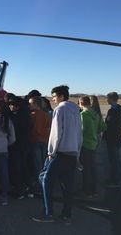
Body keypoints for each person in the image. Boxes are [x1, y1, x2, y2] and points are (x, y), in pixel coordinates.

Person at [33, 85, 82, 224]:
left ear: (61, 96)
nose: (53, 99)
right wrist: (77, 154)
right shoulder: (75, 110)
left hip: (60, 153)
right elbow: (79, 134)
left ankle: (48, 213)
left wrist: (50, 152)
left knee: (45, 180)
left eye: (54, 96)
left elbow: (56, 133)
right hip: (72, 153)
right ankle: (66, 215)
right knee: (67, 186)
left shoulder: (60, 109)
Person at [6, 94, 32, 199]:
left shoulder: (17, 117)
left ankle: (19, 190)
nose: (10, 107)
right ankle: (27, 186)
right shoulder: (25, 115)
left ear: (17, 106)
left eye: (12, 105)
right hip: (23, 145)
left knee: (17, 167)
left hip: (17, 145)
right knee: (22, 166)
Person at [78, 96, 105, 197]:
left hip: (85, 144)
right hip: (94, 144)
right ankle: (94, 189)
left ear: (81, 103)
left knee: (85, 168)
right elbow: (103, 127)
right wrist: (95, 133)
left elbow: (81, 130)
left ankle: (87, 190)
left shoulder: (83, 115)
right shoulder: (96, 114)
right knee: (92, 167)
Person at [102, 92, 121, 187]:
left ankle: (116, 181)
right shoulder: (113, 110)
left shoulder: (116, 111)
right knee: (112, 160)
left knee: (115, 161)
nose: (107, 100)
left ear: (112, 99)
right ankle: (113, 178)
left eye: (108, 98)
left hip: (113, 140)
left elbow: (114, 126)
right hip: (111, 139)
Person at [28, 96, 51, 193]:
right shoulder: (46, 115)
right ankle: (45, 183)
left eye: (30, 103)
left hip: (35, 141)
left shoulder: (32, 115)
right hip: (44, 141)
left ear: (35, 104)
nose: (29, 105)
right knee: (43, 163)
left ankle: (39, 186)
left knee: (37, 164)